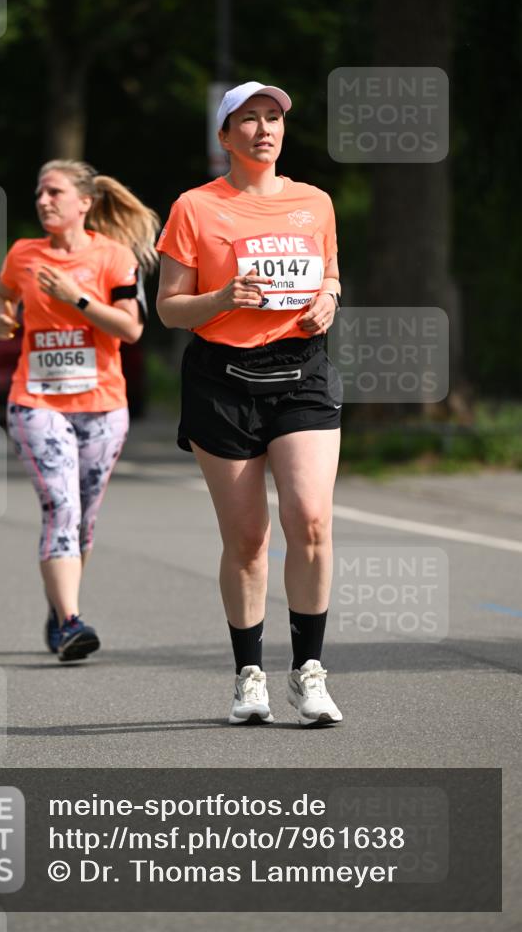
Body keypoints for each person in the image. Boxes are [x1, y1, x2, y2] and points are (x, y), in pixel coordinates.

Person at [156, 82, 343, 726]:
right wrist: (224, 299)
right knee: (248, 540)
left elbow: (330, 273)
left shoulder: (314, 202)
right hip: (222, 380)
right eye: (249, 119)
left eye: (273, 118)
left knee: (311, 520)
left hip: (302, 375)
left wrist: (330, 299)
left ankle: (309, 673)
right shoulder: (193, 208)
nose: (264, 128)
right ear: (225, 136)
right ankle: (249, 676)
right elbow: (170, 306)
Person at [0, 160, 157, 662]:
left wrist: (76, 298)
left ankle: (61, 602)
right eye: (39, 193)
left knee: (83, 519)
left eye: (54, 192)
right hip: (36, 401)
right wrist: (2, 319)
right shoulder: (23, 254)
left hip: (104, 406)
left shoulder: (114, 256)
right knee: (60, 507)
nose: (43, 201)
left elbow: (130, 330)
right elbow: (3, 297)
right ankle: (70, 622)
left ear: (83, 203)